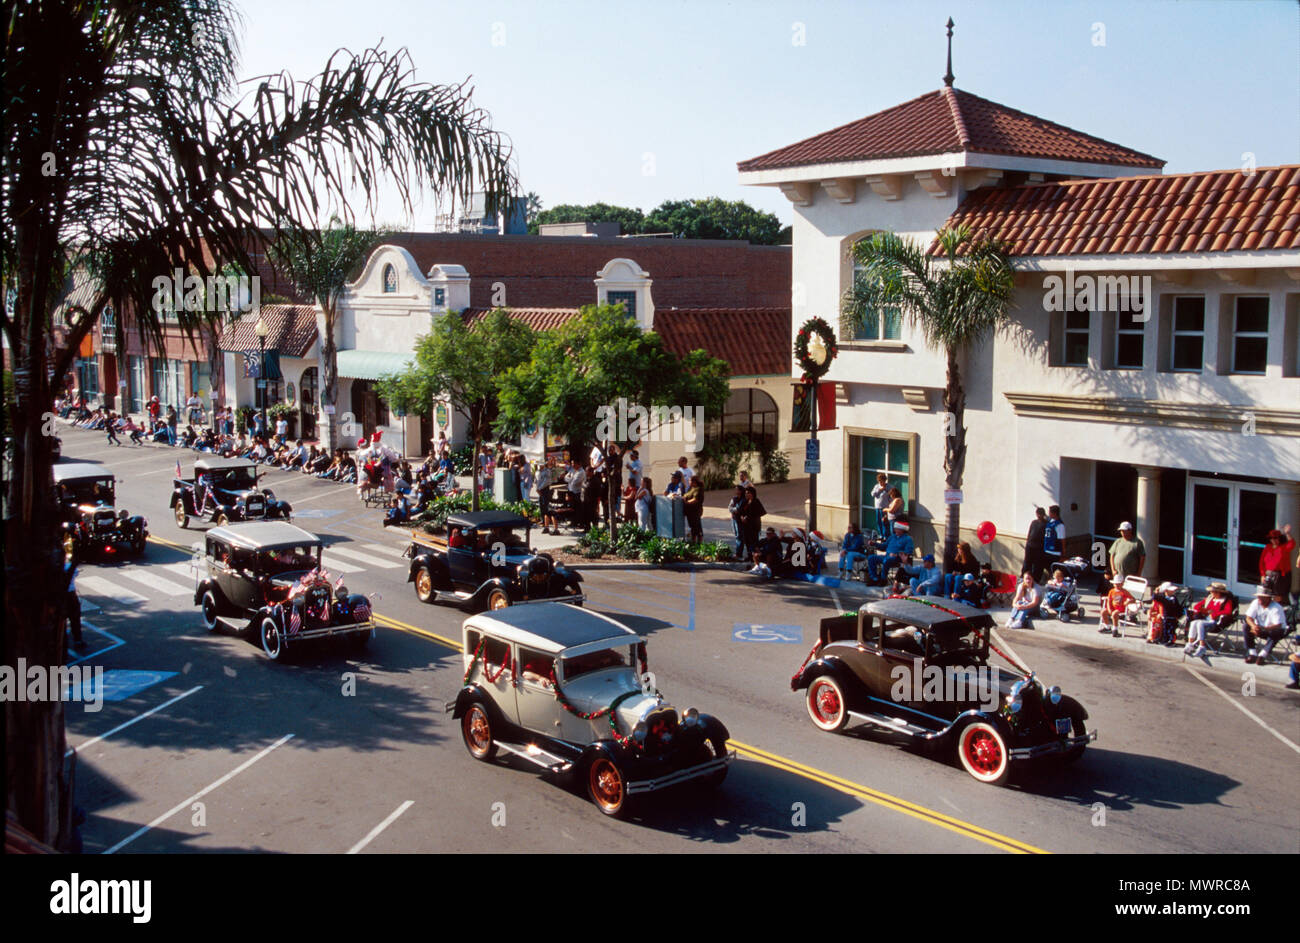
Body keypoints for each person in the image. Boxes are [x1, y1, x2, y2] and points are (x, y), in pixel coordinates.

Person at [1183, 582, 1235, 658]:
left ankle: (1202, 647)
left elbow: (1228, 611)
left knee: (1200, 623)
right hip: (1206, 619)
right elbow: (1196, 606)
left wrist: (1214, 613)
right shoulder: (1210, 598)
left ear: (1218, 592)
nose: (1210, 593)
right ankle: (1190, 644)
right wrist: (1204, 610)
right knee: (1193, 622)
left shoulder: (1226, 601)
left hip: (1216, 622)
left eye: (1212, 591)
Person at [1243, 585, 1288, 664]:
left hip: (1273, 629)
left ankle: (1262, 655)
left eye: (1262, 597)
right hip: (1259, 628)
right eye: (1259, 596)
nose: (1259, 598)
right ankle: (1252, 653)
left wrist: (1263, 628)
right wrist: (1254, 626)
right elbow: (1248, 618)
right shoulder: (1255, 602)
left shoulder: (1276, 607)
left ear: (1268, 598)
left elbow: (1278, 625)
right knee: (1246, 626)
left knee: (1276, 632)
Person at [1258, 524, 1295, 603]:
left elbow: (1292, 544)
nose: (1273, 540)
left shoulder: (1283, 547)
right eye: (1271, 538)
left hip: (1280, 576)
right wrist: (1263, 575)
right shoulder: (1267, 547)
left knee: (1278, 597)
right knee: (1266, 595)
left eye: (1275, 538)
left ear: (1279, 538)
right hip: (1268, 574)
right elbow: (1261, 562)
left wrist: (1287, 533)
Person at [738, 486, 765, 559]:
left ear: (752, 493)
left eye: (748, 493)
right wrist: (742, 517)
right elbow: (740, 511)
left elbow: (760, 513)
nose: (746, 494)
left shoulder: (756, 501)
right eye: (746, 493)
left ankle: (755, 557)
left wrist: (748, 517)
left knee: (754, 542)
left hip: (754, 526)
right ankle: (749, 556)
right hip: (745, 526)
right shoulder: (744, 501)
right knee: (747, 541)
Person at [1021, 507, 1047, 580]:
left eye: (1041, 514)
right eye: (1038, 514)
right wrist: (1027, 542)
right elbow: (1029, 533)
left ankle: (1036, 579)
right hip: (1030, 546)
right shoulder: (1034, 522)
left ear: (1043, 514)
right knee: (1027, 563)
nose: (1039, 516)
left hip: (1039, 547)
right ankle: (1024, 577)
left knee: (1038, 564)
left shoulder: (1046, 524)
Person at [1043, 505, 1066, 574]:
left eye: (1050, 512)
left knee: (1054, 571)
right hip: (1047, 550)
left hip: (1055, 552)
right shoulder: (1050, 522)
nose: (1049, 514)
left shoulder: (1059, 525)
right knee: (1048, 571)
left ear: (1054, 513)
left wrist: (1063, 553)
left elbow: (1062, 539)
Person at [682, 475, 704, 544]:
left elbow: (695, 499)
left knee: (697, 525)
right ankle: (693, 540)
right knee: (692, 526)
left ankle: (699, 540)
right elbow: (686, 495)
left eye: (690, 480)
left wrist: (686, 502)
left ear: (694, 482)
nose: (689, 482)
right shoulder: (691, 488)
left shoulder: (698, 489)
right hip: (689, 511)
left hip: (695, 511)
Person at [727, 486, 746, 558]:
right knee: (736, 535)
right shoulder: (734, 498)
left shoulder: (743, 499)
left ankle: (739, 553)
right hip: (734, 518)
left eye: (737, 490)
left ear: (741, 491)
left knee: (739, 536)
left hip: (739, 520)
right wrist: (734, 510)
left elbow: (739, 509)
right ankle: (738, 552)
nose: (736, 491)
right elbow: (729, 507)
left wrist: (734, 509)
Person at [871, 472, 890, 538]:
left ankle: (885, 536)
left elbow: (891, 496)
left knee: (884, 522)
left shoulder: (889, 487)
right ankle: (881, 535)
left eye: (881, 481)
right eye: (879, 481)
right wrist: (880, 490)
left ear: (885, 480)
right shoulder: (877, 486)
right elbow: (873, 494)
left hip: (884, 508)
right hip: (878, 507)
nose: (880, 483)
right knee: (878, 522)